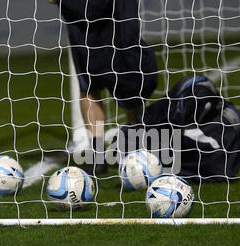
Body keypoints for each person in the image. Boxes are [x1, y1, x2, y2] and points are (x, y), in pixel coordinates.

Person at [48, 0, 158, 175]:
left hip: (116, 9)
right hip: (79, 12)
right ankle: (97, 152)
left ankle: (133, 141)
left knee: (129, 74)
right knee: (89, 82)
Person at [113, 75, 240, 182]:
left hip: (212, 150)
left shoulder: (219, 134)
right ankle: (127, 146)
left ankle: (130, 149)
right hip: (200, 112)